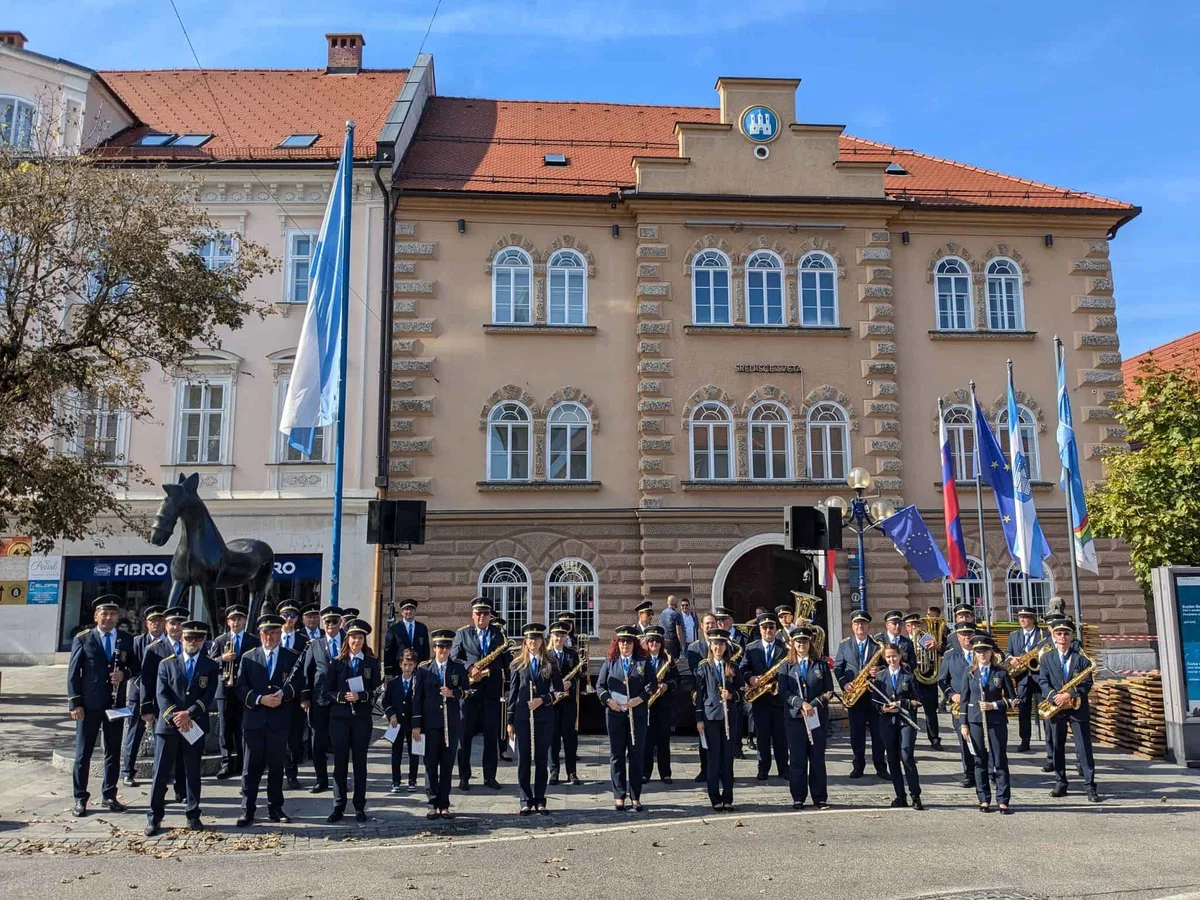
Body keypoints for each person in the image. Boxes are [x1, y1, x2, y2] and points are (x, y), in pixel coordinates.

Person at [144, 620, 219, 836]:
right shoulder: (166, 663)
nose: (192, 642)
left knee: (192, 771)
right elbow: (161, 694)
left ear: (203, 640)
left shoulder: (210, 665)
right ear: (182, 638)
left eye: (197, 638)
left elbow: (209, 694)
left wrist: (190, 714)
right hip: (168, 726)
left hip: (194, 725)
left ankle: (193, 814)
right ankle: (154, 817)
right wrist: (175, 716)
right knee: (160, 773)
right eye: (188, 637)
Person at [67, 595, 137, 818]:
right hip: (88, 705)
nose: (108, 618)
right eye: (104, 614)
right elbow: (73, 674)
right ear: (96, 616)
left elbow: (136, 666)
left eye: (112, 614)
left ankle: (109, 794)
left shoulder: (126, 639)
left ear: (118, 617)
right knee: (83, 753)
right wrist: (75, 702)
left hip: (115, 704)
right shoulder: (83, 638)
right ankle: (80, 798)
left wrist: (123, 674)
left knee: (113, 752)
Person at [235, 614, 301, 827]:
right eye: (266, 633)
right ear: (260, 635)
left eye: (274, 632)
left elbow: (298, 682)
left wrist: (284, 695)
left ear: (280, 634)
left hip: (278, 720)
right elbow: (240, 687)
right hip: (254, 720)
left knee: (276, 767)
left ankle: (275, 808)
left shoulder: (291, 657)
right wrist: (260, 699)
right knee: (250, 768)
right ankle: (248, 809)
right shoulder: (248, 657)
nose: (270, 637)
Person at [1037, 618, 1100, 803]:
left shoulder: (1082, 659)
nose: (1063, 637)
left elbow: (1087, 683)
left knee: (1084, 748)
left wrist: (1070, 694)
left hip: (1077, 707)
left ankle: (1090, 786)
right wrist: (1052, 696)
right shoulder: (1047, 658)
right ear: (1053, 636)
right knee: (1057, 747)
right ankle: (1060, 783)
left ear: (1072, 636)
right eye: (1059, 633)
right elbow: (1042, 681)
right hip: (1056, 707)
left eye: (1066, 633)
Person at [324, 619, 381, 823]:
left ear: (364, 640)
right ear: (347, 639)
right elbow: (326, 692)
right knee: (340, 763)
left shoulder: (371, 662)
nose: (356, 641)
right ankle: (338, 806)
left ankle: (359, 806)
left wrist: (362, 696)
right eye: (353, 637)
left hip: (361, 719)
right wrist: (341, 696)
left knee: (360, 763)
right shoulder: (337, 662)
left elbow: (376, 690)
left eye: (360, 637)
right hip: (339, 719)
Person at [451, 600, 511, 791]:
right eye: (478, 614)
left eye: (485, 614)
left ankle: (490, 777)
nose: (482, 617)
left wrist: (508, 685)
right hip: (469, 692)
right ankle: (464, 777)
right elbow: (454, 658)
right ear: (473, 615)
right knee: (465, 737)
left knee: (491, 737)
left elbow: (506, 661)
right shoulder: (463, 633)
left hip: (492, 692)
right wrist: (470, 668)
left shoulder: (498, 634)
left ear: (490, 616)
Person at [596, 625, 656, 811]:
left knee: (636, 755)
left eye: (629, 642)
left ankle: (636, 796)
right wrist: (608, 701)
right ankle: (619, 794)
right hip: (615, 714)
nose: (625, 646)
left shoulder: (643, 662)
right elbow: (600, 686)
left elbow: (652, 684)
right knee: (617, 755)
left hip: (636, 714)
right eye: (622, 642)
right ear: (617, 643)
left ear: (634, 644)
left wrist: (640, 699)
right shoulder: (610, 661)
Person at [506, 623, 563, 815]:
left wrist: (543, 699)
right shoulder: (517, 664)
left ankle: (540, 799)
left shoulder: (551, 663)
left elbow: (560, 692)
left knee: (540, 758)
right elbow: (512, 694)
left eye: (537, 639)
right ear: (525, 642)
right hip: (522, 717)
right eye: (529, 639)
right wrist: (510, 720)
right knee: (523, 759)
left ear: (542, 641)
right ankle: (525, 799)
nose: (533, 642)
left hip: (544, 717)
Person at [959, 633, 1016, 814]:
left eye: (985, 651)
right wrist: (963, 723)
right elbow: (964, 700)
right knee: (979, 760)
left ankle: (1003, 799)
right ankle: (983, 798)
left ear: (991, 652)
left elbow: (1013, 700)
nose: (981, 655)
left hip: (996, 721)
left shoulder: (1000, 672)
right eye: (978, 652)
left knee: (999, 760)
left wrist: (994, 705)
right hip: (975, 721)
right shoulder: (970, 673)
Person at [413, 629, 468, 818]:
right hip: (430, 724)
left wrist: (453, 694)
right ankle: (432, 802)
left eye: (446, 647)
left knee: (446, 764)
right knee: (430, 764)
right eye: (439, 646)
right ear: (434, 648)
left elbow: (467, 691)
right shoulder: (424, 669)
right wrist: (416, 725)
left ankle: (444, 803)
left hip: (451, 723)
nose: (443, 650)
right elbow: (417, 698)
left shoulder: (458, 667)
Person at [138, 607, 190, 805]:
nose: (176, 627)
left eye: (180, 623)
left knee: (184, 755)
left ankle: (182, 790)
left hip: (186, 712)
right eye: (172, 623)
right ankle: (158, 795)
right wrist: (147, 709)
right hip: (164, 711)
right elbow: (146, 681)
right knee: (163, 756)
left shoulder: (191, 646)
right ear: (165, 625)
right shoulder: (154, 649)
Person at [778, 627, 832, 809]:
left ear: (810, 643)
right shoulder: (786, 666)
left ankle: (819, 796)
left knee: (817, 757)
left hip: (816, 716)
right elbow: (784, 692)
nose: (802, 645)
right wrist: (800, 703)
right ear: (793, 643)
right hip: (795, 718)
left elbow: (829, 691)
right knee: (797, 758)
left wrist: (813, 704)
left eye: (805, 642)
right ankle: (798, 796)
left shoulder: (821, 664)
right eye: (798, 642)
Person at [833, 611, 888, 780]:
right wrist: (844, 684)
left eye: (863, 623)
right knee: (856, 734)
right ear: (852, 626)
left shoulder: (878, 645)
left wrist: (878, 670)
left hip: (873, 696)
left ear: (868, 626)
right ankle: (858, 765)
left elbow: (891, 665)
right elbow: (838, 668)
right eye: (857, 624)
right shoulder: (845, 645)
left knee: (879, 734)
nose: (860, 626)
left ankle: (881, 766)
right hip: (855, 696)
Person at [694, 627, 743, 812]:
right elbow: (699, 695)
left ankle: (728, 797)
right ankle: (714, 797)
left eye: (721, 644)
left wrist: (731, 696)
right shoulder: (704, 666)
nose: (718, 647)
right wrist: (699, 718)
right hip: (711, 717)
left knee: (727, 759)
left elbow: (742, 693)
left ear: (725, 646)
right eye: (715, 644)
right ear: (711, 646)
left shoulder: (733, 666)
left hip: (730, 717)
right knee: (713, 759)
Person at [209, 604, 259, 779]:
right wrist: (223, 658)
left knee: (242, 727)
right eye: (233, 619)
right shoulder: (220, 640)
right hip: (224, 689)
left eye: (239, 619)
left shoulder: (252, 640)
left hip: (244, 689)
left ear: (244, 621)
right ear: (228, 621)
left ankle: (242, 762)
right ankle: (226, 762)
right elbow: (209, 663)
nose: (236, 622)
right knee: (225, 728)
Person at [874, 642, 923, 809]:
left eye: (894, 656)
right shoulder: (880, 677)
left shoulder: (909, 676)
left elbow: (918, 701)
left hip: (906, 721)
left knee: (906, 755)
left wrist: (902, 703)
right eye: (888, 657)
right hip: (887, 722)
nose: (891, 659)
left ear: (899, 656)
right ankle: (900, 796)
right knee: (893, 759)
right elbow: (875, 702)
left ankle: (916, 795)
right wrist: (883, 707)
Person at [122, 605, 166, 787]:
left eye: (159, 621)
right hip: (139, 694)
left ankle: (160, 773)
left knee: (161, 736)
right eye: (152, 621)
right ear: (146, 624)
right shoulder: (137, 642)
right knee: (134, 732)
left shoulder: (168, 643)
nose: (155, 624)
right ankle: (127, 772)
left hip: (162, 696)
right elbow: (131, 667)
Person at [740, 613, 788, 781]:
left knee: (781, 737)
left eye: (771, 627)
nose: (768, 630)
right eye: (764, 627)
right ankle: (763, 768)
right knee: (762, 737)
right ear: (760, 630)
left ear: (776, 629)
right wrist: (751, 678)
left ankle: (783, 768)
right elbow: (743, 669)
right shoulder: (751, 648)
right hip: (760, 700)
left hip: (779, 700)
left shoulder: (786, 649)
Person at [300, 606, 342, 793]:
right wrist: (305, 697)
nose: (331, 625)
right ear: (323, 624)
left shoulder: (348, 642)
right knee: (318, 743)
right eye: (327, 622)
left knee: (341, 743)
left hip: (342, 701)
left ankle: (340, 781)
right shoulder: (315, 644)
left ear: (340, 623)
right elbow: (307, 673)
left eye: (334, 622)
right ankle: (321, 780)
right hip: (319, 700)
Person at [1005, 606, 1049, 753]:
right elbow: (1007, 653)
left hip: (1040, 677)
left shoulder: (1044, 634)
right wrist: (1012, 659)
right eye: (1020, 617)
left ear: (1032, 618)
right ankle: (1025, 741)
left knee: (1044, 710)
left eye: (1026, 617)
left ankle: (1049, 741)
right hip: (1022, 677)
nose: (1022, 620)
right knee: (1023, 711)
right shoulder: (1014, 635)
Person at [940, 620, 978, 788]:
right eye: (963, 635)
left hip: (979, 705)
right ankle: (969, 773)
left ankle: (987, 771)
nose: (966, 638)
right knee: (964, 740)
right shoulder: (950, 656)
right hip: (959, 706)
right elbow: (942, 681)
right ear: (957, 637)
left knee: (983, 739)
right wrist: (951, 695)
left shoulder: (982, 653)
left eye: (969, 634)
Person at [277, 602, 309, 789]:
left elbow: (307, 671)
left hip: (294, 696)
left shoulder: (304, 641)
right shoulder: (270, 636)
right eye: (285, 615)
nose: (288, 619)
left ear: (297, 619)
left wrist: (304, 695)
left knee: (293, 737)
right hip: (273, 695)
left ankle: (291, 774)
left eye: (292, 615)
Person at [547, 622, 582, 786]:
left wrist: (571, 683)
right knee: (552, 737)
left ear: (566, 637)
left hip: (568, 701)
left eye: (562, 635)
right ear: (551, 636)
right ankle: (554, 771)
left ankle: (572, 772)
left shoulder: (572, 654)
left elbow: (578, 675)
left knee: (570, 737)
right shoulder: (545, 655)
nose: (559, 638)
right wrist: (555, 688)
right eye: (556, 635)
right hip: (552, 701)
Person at [641, 625, 677, 784]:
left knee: (664, 740)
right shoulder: (641, 660)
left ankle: (665, 774)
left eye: (657, 641)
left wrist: (667, 685)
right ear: (647, 643)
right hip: (646, 705)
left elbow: (677, 680)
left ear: (661, 643)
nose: (654, 644)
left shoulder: (668, 660)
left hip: (663, 705)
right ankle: (645, 773)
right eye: (651, 641)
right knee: (647, 741)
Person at [382, 649, 421, 793]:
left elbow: (421, 702)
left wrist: (418, 723)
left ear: (415, 665)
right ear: (400, 664)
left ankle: (412, 780)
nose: (407, 668)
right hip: (396, 722)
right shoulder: (393, 683)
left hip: (413, 723)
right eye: (405, 664)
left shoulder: (418, 682)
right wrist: (391, 714)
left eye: (410, 665)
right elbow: (386, 701)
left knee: (414, 752)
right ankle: (395, 781)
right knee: (396, 752)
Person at [685, 612, 718, 783]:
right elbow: (695, 672)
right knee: (703, 735)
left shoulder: (725, 645)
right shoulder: (694, 648)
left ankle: (721, 771)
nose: (710, 627)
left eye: (713, 623)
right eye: (707, 624)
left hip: (720, 697)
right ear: (701, 626)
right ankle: (704, 769)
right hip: (702, 695)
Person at [903, 612, 942, 750]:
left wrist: (937, 647)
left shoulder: (926, 638)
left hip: (926, 679)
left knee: (930, 711)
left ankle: (935, 739)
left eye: (916, 624)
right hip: (911, 681)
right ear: (906, 627)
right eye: (910, 625)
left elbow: (938, 654)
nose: (914, 628)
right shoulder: (903, 642)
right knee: (911, 710)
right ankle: (910, 740)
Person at [385, 599, 431, 676]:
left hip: (418, 670)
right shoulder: (394, 629)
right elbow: (388, 651)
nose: (409, 612)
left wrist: (425, 667)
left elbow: (426, 649)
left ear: (415, 611)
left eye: (411, 609)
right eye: (406, 609)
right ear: (402, 612)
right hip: (399, 670)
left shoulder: (422, 628)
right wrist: (389, 672)